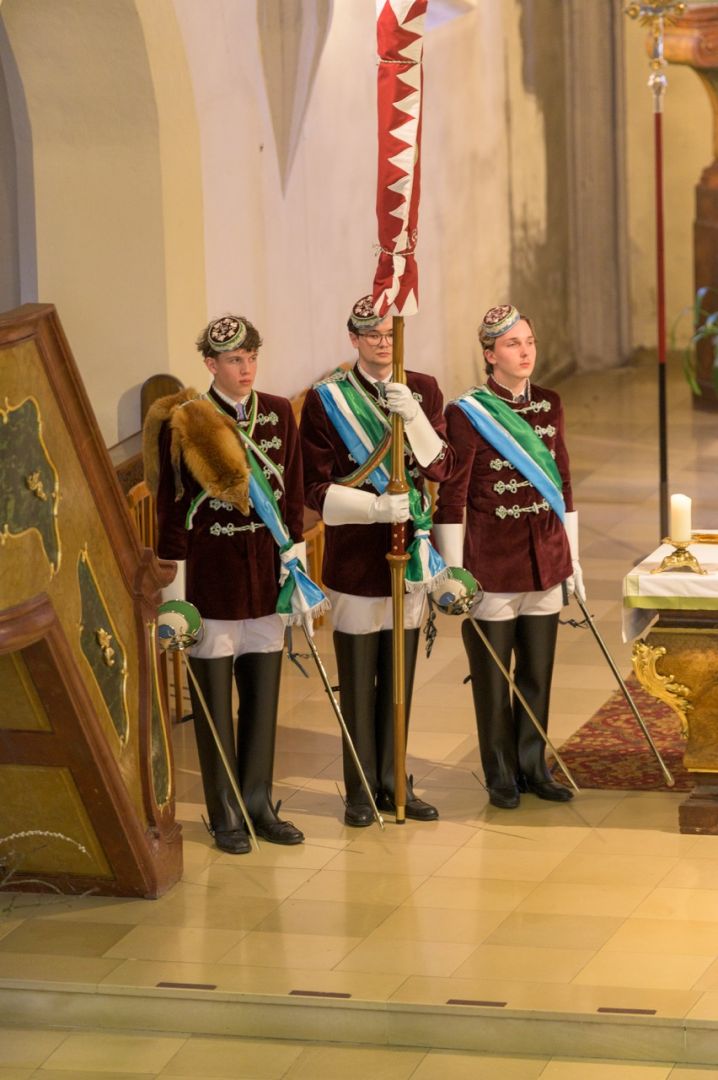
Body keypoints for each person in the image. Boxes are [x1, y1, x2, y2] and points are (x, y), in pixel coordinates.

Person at [144, 314, 311, 853]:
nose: (245, 368)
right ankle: (225, 814)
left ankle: (259, 802)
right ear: (211, 365)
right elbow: (172, 514)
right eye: (234, 360)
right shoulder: (189, 420)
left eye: (251, 358)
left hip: (265, 576)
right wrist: (176, 603)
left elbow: (292, 498)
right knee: (214, 708)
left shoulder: (280, 413)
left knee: (263, 702)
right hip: (211, 584)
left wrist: (297, 569)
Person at [299, 295, 454, 826]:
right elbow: (313, 489)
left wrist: (414, 417)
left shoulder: (425, 389)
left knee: (400, 678)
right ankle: (360, 788)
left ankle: (395, 779)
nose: (383, 343)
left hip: (408, 557)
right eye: (372, 336)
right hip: (355, 559)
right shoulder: (326, 401)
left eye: (390, 334)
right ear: (354, 340)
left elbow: (442, 468)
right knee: (360, 679)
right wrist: (372, 506)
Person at [433, 304, 584, 809]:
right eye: (513, 345)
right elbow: (451, 497)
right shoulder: (466, 412)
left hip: (544, 558)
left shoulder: (550, 403)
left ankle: (533, 764)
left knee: (537, 674)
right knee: (494, 680)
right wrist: (452, 572)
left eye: (530, 342)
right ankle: (499, 772)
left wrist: (573, 561)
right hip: (490, 566)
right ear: (489, 355)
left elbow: (562, 485)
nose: (525, 353)